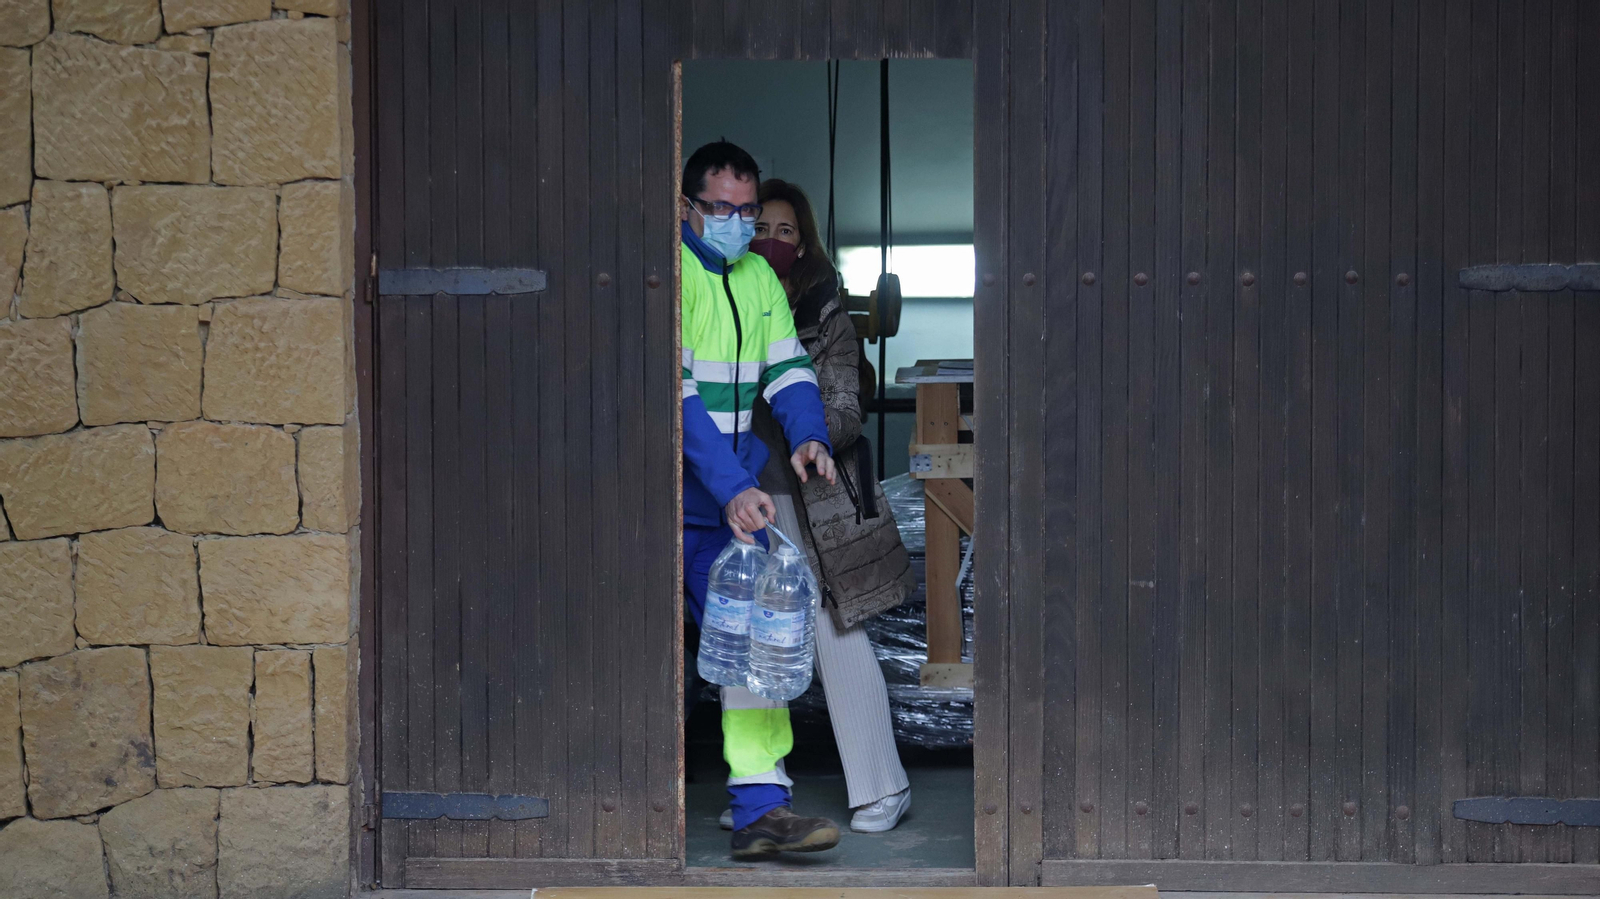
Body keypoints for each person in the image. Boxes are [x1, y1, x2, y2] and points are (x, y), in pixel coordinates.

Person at [678, 141, 841, 859]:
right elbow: (675, 399)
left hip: (729, 492)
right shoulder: (673, 275)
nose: (738, 224)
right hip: (679, 495)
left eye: (747, 211)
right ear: (688, 207)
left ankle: (759, 808)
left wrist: (810, 436)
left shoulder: (756, 279)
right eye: (722, 209)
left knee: (750, 638)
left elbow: (788, 365)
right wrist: (733, 485)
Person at [742, 179, 917, 833]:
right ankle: (760, 796)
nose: (773, 240)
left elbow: (844, 407)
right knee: (752, 637)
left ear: (805, 244)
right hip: (740, 492)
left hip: (814, 500)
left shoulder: (826, 313)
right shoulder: (721, 301)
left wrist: (800, 411)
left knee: (833, 626)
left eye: (787, 232)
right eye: (763, 227)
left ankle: (881, 785)